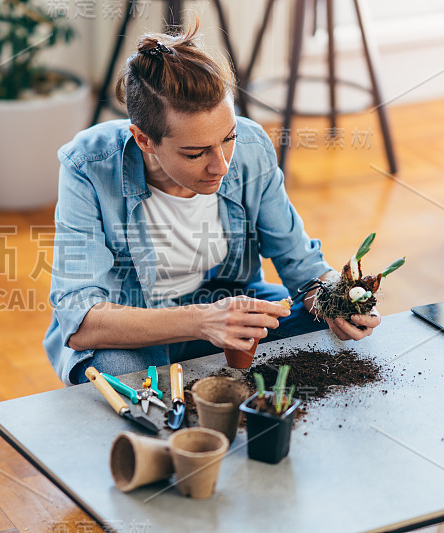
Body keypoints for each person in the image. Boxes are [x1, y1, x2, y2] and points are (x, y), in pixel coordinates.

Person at [43, 22, 380, 386]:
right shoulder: (88, 166)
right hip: (138, 320)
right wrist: (203, 320)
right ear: (144, 140)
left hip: (227, 303)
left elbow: (300, 266)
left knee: (320, 330)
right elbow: (80, 321)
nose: (221, 165)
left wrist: (338, 301)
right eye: (195, 152)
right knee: (122, 374)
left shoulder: (251, 147)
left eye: (228, 137)